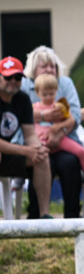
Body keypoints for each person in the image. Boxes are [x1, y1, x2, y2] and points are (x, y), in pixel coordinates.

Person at [21, 46, 84, 217]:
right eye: (44, 66)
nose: (49, 69)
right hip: (36, 142)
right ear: (33, 69)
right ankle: (36, 215)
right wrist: (43, 115)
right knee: (42, 161)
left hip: (64, 140)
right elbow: (20, 114)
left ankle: (73, 217)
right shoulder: (23, 85)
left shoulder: (65, 83)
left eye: (53, 66)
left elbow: (76, 115)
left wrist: (59, 133)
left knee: (70, 163)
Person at [0, 56, 52, 218]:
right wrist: (26, 150)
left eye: (17, 77)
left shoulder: (22, 99)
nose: (13, 81)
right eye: (8, 77)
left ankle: (44, 215)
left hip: (11, 153)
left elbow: (29, 134)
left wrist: (37, 148)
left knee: (42, 157)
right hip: (6, 152)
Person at [32, 73, 84, 190]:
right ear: (37, 93)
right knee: (34, 154)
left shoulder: (60, 107)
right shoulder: (35, 108)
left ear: (56, 91)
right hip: (42, 141)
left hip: (59, 139)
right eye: (45, 94)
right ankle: (21, 177)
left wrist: (57, 127)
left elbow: (71, 120)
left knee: (80, 150)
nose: (48, 97)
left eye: (51, 94)